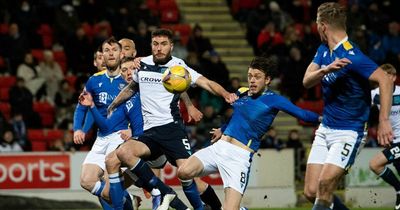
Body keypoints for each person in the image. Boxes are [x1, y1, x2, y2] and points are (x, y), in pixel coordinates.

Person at [107, 28, 237, 210]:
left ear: (171, 46)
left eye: (163, 44)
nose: (159, 48)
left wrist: (225, 93)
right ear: (151, 45)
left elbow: (205, 82)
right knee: (123, 153)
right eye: (155, 44)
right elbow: (132, 88)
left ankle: (212, 208)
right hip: (149, 134)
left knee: (188, 176)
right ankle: (162, 191)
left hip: (172, 130)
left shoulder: (178, 67)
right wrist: (113, 104)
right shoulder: (142, 64)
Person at [177, 56, 320, 209]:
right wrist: (223, 129)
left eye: (257, 77)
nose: (252, 80)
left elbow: (303, 115)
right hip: (219, 148)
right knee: (184, 172)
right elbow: (238, 116)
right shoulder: (242, 92)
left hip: (238, 158)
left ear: (267, 80)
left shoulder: (274, 99)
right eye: (250, 76)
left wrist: (324, 119)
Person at [302, 3, 394, 210]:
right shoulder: (324, 50)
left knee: (325, 185)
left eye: (317, 25)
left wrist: (383, 121)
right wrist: (325, 70)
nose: (316, 29)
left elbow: (385, 79)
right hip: (325, 129)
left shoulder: (353, 56)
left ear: (323, 26)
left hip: (349, 132)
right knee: (310, 191)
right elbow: (306, 80)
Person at [73, 37, 139, 210]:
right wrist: (78, 129)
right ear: (102, 55)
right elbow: (81, 106)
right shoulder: (94, 81)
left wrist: (134, 131)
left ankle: (127, 199)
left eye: (114, 50)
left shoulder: (130, 81)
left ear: (121, 54)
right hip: (101, 138)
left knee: (112, 185)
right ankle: (128, 199)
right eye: (106, 51)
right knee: (86, 181)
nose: (110, 54)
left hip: (121, 138)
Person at [369, 63, 400, 210]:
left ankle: (399, 190)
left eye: (387, 76)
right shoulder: (375, 94)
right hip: (392, 142)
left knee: (375, 163)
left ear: (394, 78)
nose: (384, 79)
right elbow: (359, 107)